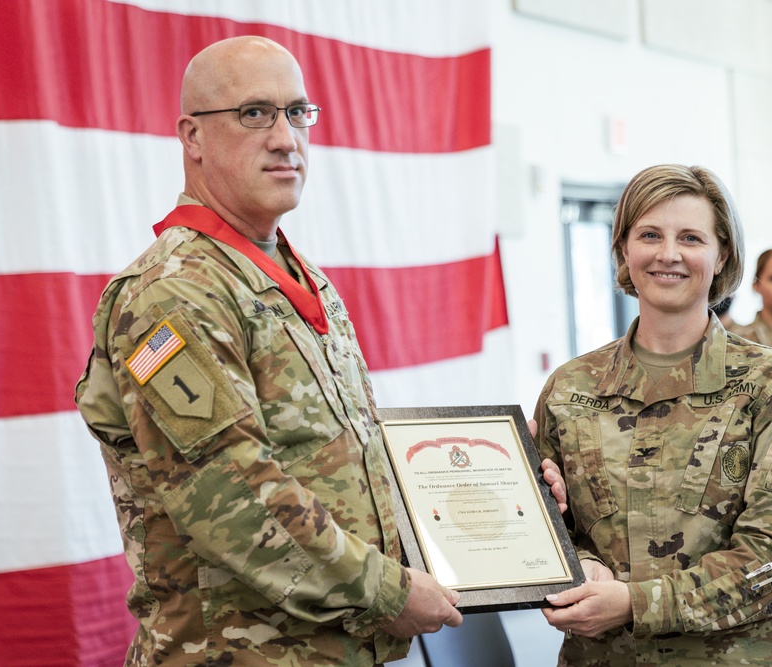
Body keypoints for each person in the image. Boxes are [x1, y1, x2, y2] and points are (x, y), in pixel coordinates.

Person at [75, 36, 566, 666]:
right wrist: (388, 591)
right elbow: (231, 494)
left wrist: (500, 470)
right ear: (192, 137)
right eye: (255, 113)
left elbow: (343, 455)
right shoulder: (176, 292)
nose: (286, 138)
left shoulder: (291, 272)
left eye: (297, 112)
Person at [536, 164, 772, 665]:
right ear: (624, 248)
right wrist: (578, 562)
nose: (668, 254)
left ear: (721, 257)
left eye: (690, 237)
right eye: (650, 234)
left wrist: (635, 603)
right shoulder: (570, 388)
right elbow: (552, 533)